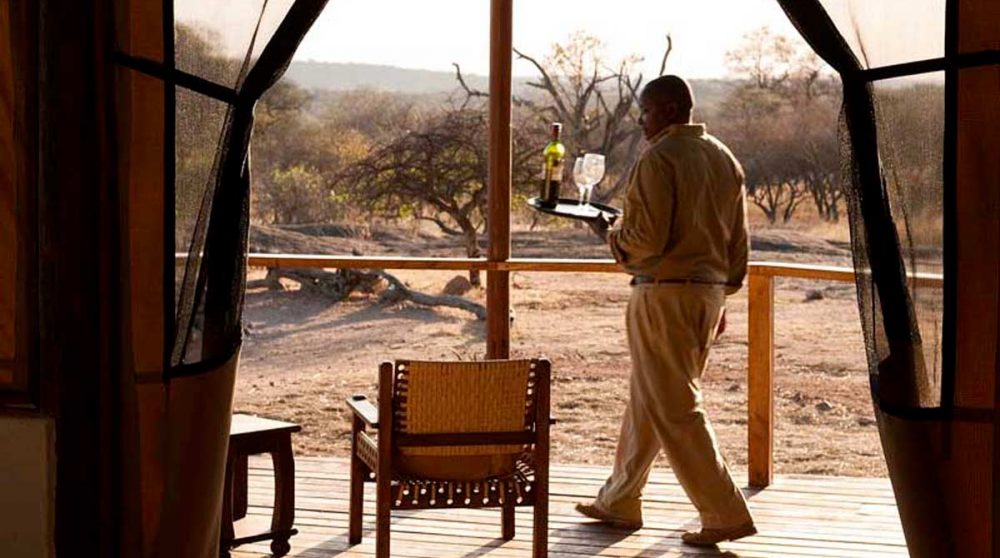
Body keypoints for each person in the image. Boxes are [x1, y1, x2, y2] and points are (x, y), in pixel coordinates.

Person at [577, 75, 756, 547]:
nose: (641, 120)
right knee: (649, 395)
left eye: (647, 110)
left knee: (675, 404)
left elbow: (647, 241)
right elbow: (739, 239)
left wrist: (611, 237)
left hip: (664, 293)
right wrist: (722, 292)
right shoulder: (723, 157)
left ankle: (724, 511)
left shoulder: (659, 158)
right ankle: (619, 499)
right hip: (706, 294)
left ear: (672, 108)